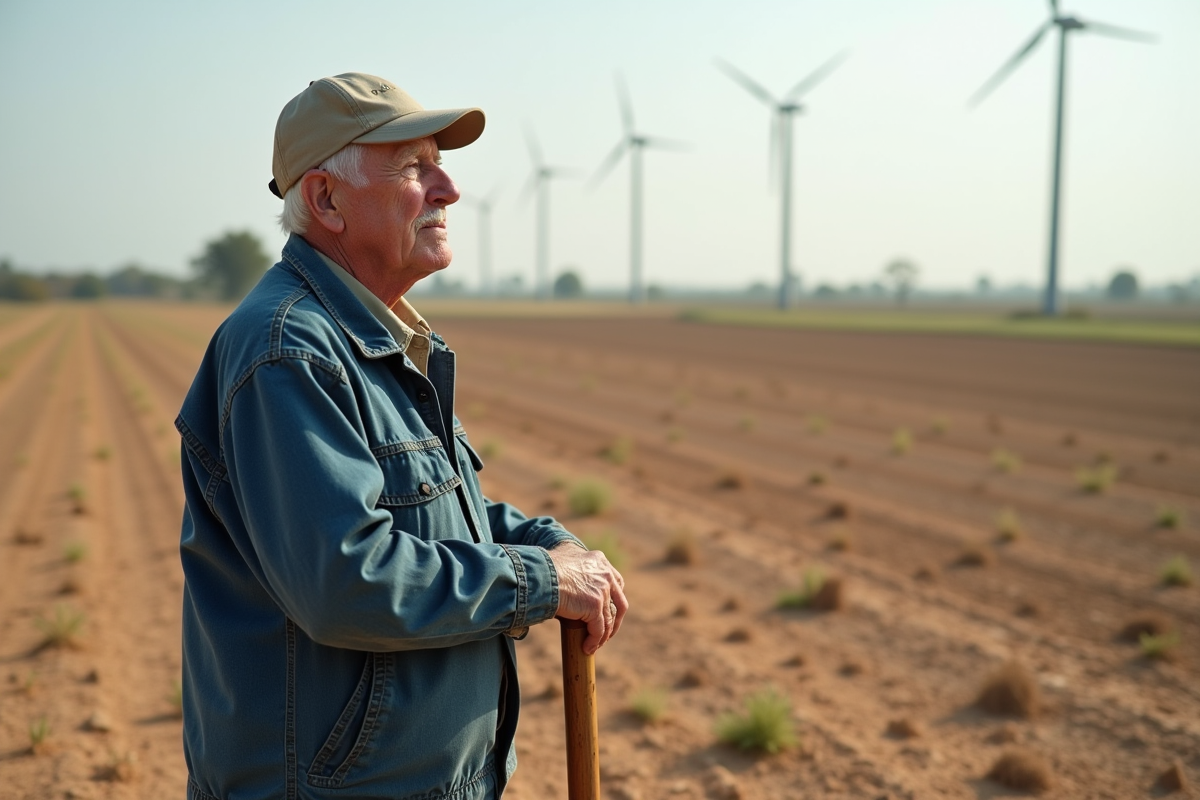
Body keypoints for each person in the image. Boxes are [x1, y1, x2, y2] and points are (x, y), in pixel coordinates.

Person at [175, 72, 628, 800]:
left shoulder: (372, 337)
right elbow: (347, 577)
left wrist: (546, 542)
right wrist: (540, 583)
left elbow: (430, 511)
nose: (449, 190)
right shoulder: (288, 351)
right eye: (416, 167)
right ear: (326, 200)